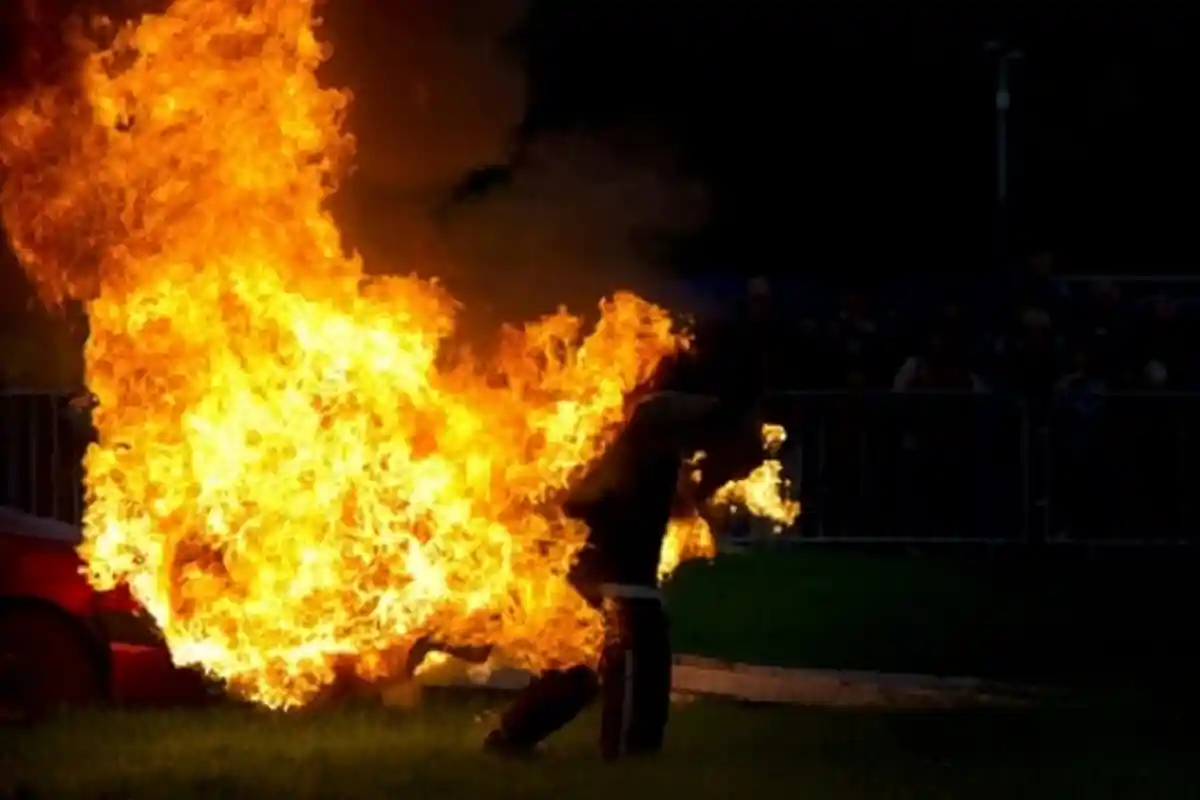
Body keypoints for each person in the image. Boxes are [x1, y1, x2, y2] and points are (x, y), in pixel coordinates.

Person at [482, 309, 766, 761]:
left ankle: (511, 740)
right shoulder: (650, 410)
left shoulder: (637, 418)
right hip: (611, 565)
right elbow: (709, 423)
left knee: (578, 666)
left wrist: (705, 480)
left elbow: (717, 461)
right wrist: (734, 413)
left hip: (594, 560)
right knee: (635, 648)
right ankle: (629, 759)